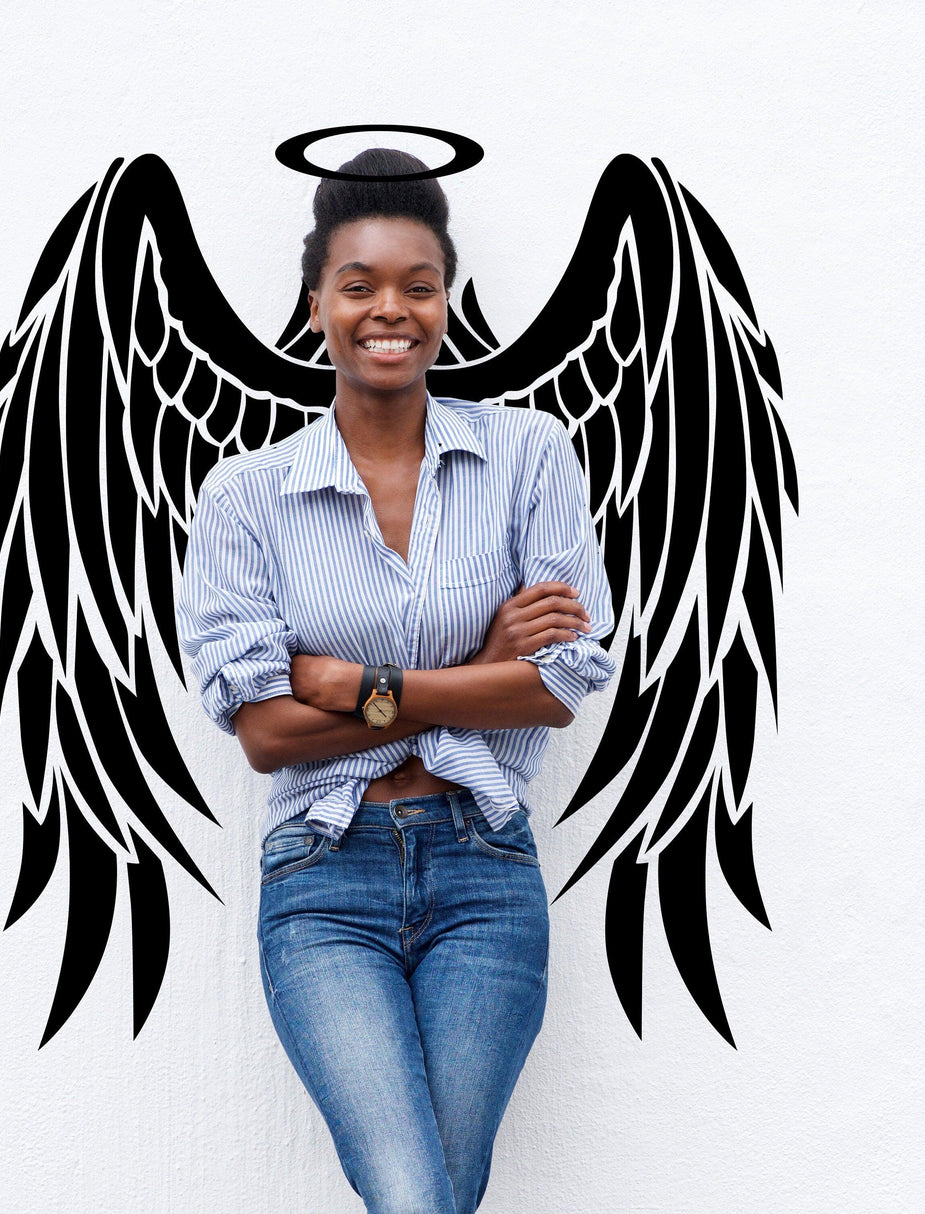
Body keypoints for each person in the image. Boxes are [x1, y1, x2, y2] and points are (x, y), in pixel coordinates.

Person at [176, 148, 616, 1214]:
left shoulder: (527, 456)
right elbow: (269, 733)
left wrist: (355, 684)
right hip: (325, 879)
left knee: (431, 1201)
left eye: (417, 286)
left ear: (445, 299)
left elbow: (557, 683)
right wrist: (473, 671)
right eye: (360, 284)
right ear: (316, 301)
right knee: (418, 1197)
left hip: (485, 873)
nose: (391, 309)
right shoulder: (247, 495)